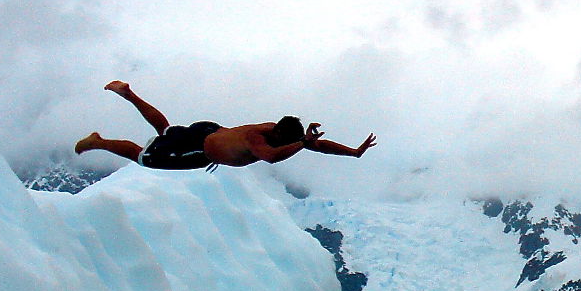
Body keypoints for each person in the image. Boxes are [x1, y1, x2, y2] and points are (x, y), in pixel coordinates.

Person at [75, 81, 377, 170]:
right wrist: (301, 144)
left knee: (166, 131)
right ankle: (99, 141)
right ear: (279, 137)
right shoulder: (259, 143)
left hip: (208, 130)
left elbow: (317, 145)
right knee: (143, 156)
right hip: (200, 149)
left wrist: (353, 152)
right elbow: (271, 157)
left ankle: (129, 94)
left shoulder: (272, 128)